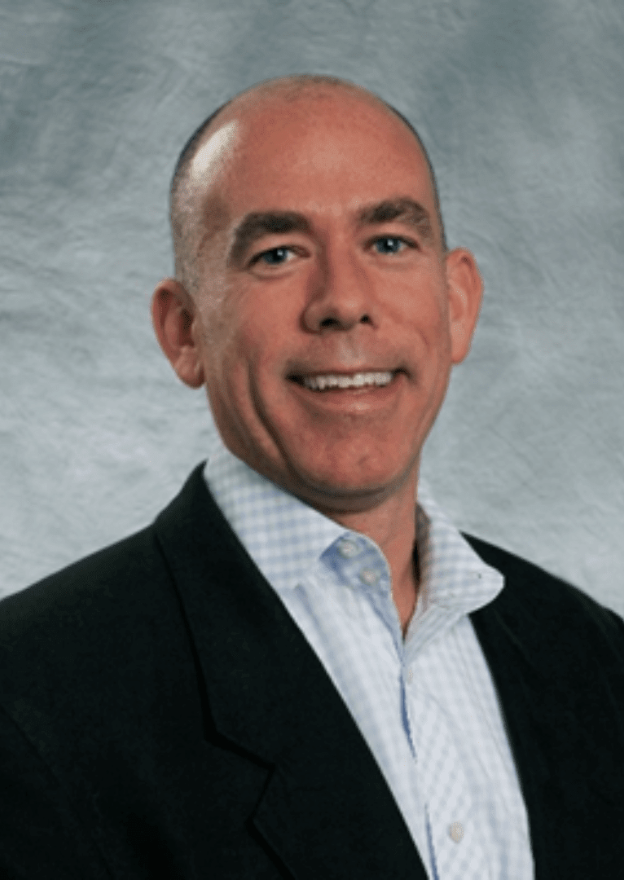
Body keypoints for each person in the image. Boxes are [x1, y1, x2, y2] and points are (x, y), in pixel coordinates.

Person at [0, 74, 623, 880]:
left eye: (389, 243)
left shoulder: (597, 660)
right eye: (278, 253)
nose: (343, 301)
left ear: (457, 300)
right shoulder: (30, 697)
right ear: (184, 330)